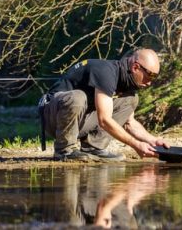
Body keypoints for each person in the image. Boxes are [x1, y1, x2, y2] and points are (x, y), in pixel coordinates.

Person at [41, 48, 169, 161]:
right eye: (150, 76)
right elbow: (104, 120)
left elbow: (130, 123)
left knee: (130, 99)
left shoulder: (126, 82)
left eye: (155, 77)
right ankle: (64, 150)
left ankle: (93, 148)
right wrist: (136, 145)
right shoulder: (106, 71)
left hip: (80, 121)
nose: (150, 82)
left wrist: (153, 141)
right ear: (135, 67)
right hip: (53, 117)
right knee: (77, 97)